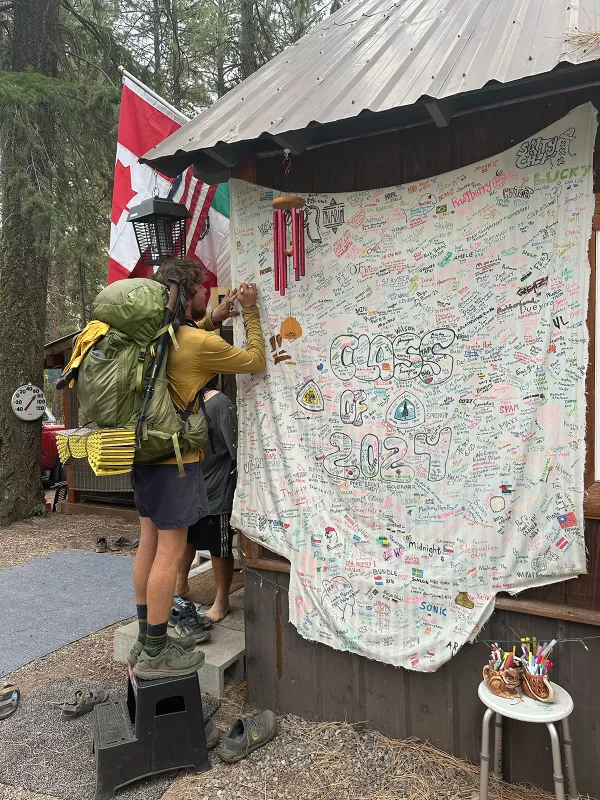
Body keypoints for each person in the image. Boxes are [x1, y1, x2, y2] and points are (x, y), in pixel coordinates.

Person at [130, 258, 265, 680]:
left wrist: (213, 318)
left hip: (143, 453)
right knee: (171, 552)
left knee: (148, 544)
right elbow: (256, 359)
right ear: (190, 294)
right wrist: (253, 312)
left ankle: (145, 637)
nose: (211, 291)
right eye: (205, 287)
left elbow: (187, 341)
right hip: (176, 462)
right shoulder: (197, 343)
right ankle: (157, 650)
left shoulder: (154, 336)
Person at [175, 374, 238, 622]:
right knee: (185, 539)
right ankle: (180, 585)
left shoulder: (220, 404)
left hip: (216, 489)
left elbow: (235, 450)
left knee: (218, 547)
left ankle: (222, 601)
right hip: (190, 488)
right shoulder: (183, 402)